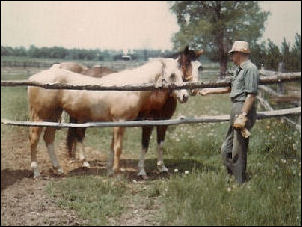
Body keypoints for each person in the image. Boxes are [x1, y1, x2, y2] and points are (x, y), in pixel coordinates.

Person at [200, 41, 259, 184]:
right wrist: (209, 91)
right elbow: (229, 89)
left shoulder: (250, 69)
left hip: (243, 108)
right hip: (236, 107)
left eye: (233, 53)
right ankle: (233, 175)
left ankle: (239, 181)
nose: (231, 56)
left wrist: (243, 115)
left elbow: (251, 95)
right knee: (226, 147)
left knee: (239, 147)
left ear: (239, 53)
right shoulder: (238, 69)